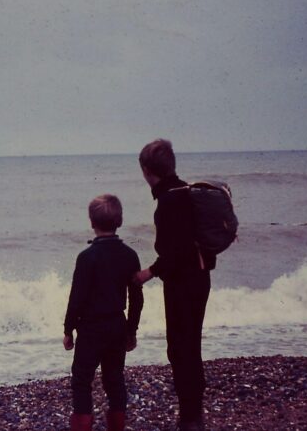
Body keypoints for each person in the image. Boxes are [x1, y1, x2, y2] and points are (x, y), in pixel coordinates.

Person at [134, 139, 211, 431]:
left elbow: (173, 253)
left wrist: (148, 273)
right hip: (201, 278)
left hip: (182, 284)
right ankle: (193, 413)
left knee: (180, 348)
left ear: (146, 170)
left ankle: (190, 418)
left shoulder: (168, 202)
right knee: (190, 344)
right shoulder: (187, 192)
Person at [63, 194, 144, 431]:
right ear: (119, 221)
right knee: (114, 379)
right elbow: (136, 299)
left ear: (91, 222)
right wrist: (131, 330)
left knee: (81, 380)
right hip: (117, 325)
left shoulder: (86, 258)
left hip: (90, 329)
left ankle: (83, 425)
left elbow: (76, 298)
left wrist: (68, 329)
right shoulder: (130, 255)